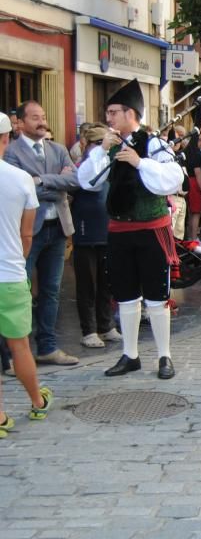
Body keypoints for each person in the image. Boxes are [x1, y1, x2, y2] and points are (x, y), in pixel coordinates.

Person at [77, 79, 185, 380]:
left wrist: (139, 163)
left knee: (156, 296)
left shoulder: (154, 144)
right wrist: (100, 152)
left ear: (129, 113)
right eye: (108, 112)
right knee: (125, 295)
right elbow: (87, 181)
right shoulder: (106, 146)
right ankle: (130, 354)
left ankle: (164, 356)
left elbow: (172, 180)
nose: (108, 118)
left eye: (113, 112)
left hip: (151, 229)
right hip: (120, 232)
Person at [4, 100, 80, 365]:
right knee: (19, 291)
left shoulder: (58, 149)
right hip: (27, 231)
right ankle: (15, 354)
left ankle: (47, 346)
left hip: (57, 228)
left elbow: (74, 180)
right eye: (34, 117)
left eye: (43, 116)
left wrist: (41, 180)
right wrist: (53, 182)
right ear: (21, 123)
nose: (41, 121)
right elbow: (22, 189)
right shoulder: (11, 153)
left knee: (51, 290)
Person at [0, 112, 53, 435]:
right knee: (19, 345)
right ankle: (37, 401)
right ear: (7, 139)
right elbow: (27, 234)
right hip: (9, 273)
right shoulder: (20, 180)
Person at [71, 124, 119, 349]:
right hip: (85, 232)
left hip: (106, 231)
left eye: (104, 143)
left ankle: (106, 325)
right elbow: (86, 184)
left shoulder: (108, 164)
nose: (102, 148)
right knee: (87, 285)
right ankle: (88, 330)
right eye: (98, 144)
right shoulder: (83, 166)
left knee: (106, 282)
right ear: (87, 145)